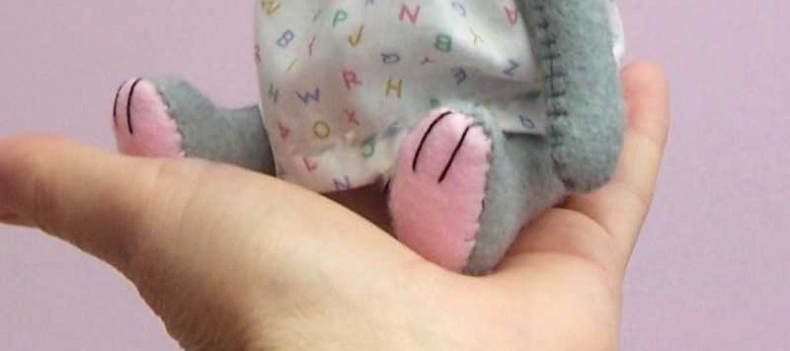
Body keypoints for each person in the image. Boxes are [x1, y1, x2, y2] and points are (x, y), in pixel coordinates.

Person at [0, 61, 668, 351]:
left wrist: (584, 124)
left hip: (487, 101)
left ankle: (475, 184)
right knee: (306, 117)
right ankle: (221, 141)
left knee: (491, 142)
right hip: (344, 88)